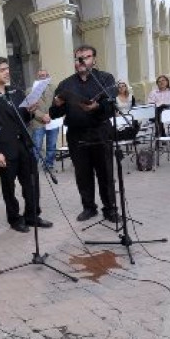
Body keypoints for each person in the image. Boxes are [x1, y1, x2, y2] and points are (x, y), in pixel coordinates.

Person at [0, 57, 53, 233]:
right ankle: (14, 219)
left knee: (32, 182)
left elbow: (23, 118)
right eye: (2, 70)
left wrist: (31, 112)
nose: (7, 72)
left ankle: (32, 215)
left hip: (24, 145)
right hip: (4, 149)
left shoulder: (16, 92)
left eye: (7, 68)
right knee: (9, 187)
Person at [50, 45, 118, 222]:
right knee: (83, 174)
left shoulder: (105, 78)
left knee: (105, 173)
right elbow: (54, 114)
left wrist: (97, 106)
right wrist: (56, 105)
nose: (81, 62)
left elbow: (111, 106)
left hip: (100, 132)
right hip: (76, 135)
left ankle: (110, 208)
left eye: (85, 58)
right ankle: (89, 207)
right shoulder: (65, 84)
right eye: (78, 58)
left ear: (94, 60)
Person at [29, 69, 59, 170]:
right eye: (41, 75)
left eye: (45, 75)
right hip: (38, 122)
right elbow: (30, 107)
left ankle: (49, 164)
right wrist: (42, 116)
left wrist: (50, 115)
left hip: (52, 120)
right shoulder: (30, 90)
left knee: (52, 144)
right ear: (37, 77)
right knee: (36, 146)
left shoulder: (54, 88)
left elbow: (58, 103)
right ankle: (33, 166)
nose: (43, 77)